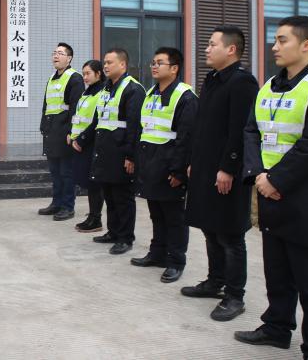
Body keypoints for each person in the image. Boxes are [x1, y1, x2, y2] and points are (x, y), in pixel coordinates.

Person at [235, 16, 308, 360]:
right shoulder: (270, 87)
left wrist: (275, 179)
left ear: (307, 45)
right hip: (270, 191)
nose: (274, 47)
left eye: (282, 40)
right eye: (275, 40)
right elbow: (251, 131)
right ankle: (276, 327)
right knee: (278, 270)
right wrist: (258, 174)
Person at [182, 26, 258, 322]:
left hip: (228, 171)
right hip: (205, 167)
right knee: (210, 227)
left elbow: (240, 130)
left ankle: (235, 295)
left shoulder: (242, 82)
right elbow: (203, 126)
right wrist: (194, 161)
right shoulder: (212, 79)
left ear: (231, 49)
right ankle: (215, 282)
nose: (206, 48)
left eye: (212, 44)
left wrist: (228, 167)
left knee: (230, 233)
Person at [131, 47, 197, 283]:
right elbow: (144, 130)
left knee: (174, 218)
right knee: (156, 214)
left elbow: (186, 139)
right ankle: (157, 253)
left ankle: (176, 261)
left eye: (160, 63)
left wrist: (178, 171)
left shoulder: (185, 97)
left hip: (170, 168)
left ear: (174, 68)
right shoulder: (151, 93)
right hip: (151, 165)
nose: (154, 66)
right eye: (153, 62)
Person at [90, 48, 146, 255]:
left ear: (122, 64)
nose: (105, 66)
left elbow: (134, 126)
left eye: (109, 62)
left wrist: (131, 156)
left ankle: (125, 237)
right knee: (110, 195)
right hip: (105, 151)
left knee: (123, 198)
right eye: (104, 62)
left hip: (122, 152)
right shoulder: (106, 88)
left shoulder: (133, 89)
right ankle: (113, 232)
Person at [38, 43, 84, 221]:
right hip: (51, 130)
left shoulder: (75, 78)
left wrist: (72, 132)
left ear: (69, 58)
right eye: (54, 52)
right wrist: (43, 126)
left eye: (60, 53)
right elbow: (46, 104)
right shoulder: (51, 78)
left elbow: (76, 108)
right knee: (55, 171)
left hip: (65, 130)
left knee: (66, 172)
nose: (55, 56)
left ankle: (67, 207)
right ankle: (56, 203)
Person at [68, 60, 105, 233]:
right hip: (80, 143)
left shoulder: (102, 93)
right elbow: (79, 116)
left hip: (91, 143)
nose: (85, 77)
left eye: (88, 73)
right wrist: (72, 134)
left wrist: (81, 140)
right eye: (83, 73)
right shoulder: (86, 92)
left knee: (95, 184)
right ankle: (92, 216)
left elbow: (96, 121)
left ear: (98, 74)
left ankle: (96, 218)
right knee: (89, 183)